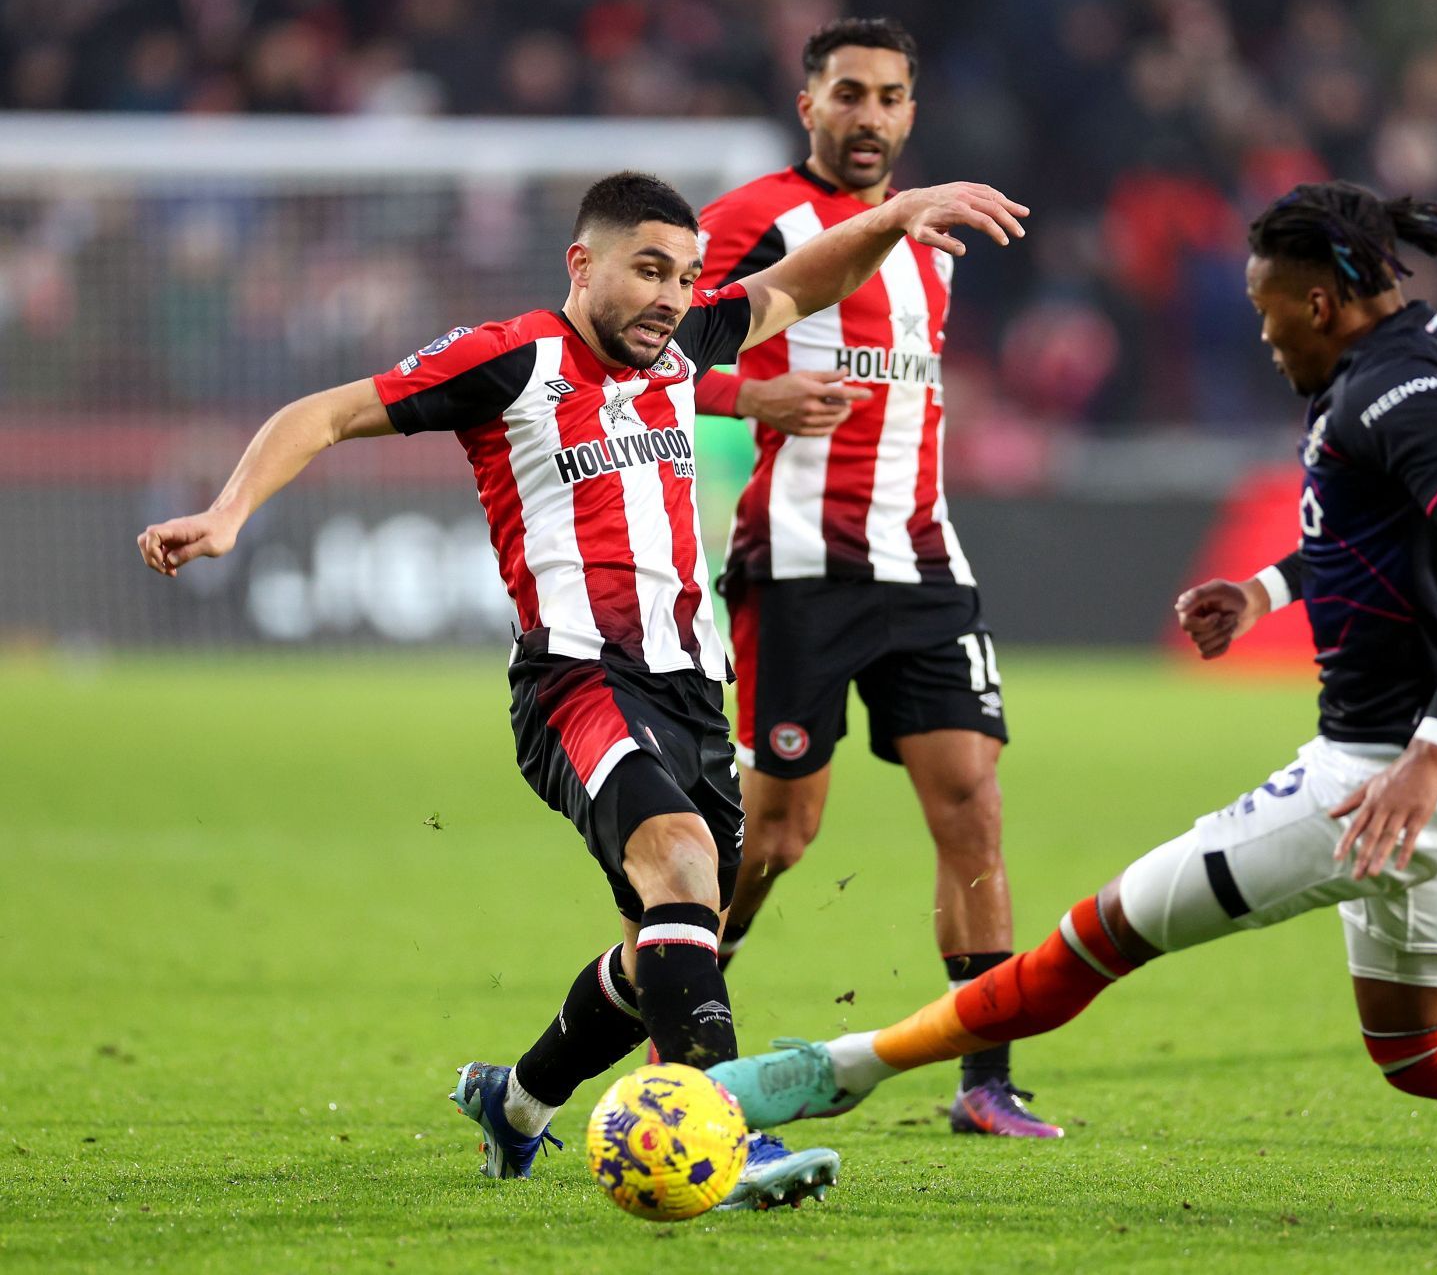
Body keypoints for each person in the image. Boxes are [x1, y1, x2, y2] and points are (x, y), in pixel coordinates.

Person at [703, 183, 1437, 1233]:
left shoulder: (1394, 391)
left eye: (1268, 311)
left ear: (1319, 298)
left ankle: (832, 1070)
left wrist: (1423, 755)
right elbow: (1392, 533)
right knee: (1420, 1048)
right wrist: (1268, 587)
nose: (1262, 333)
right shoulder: (1411, 348)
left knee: (1096, 939)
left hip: (1379, 779)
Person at [135, 169, 1028, 1208]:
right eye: (649, 269)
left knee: (658, 942)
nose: (671, 295)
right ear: (582, 263)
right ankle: (722, 1124)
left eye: (687, 276)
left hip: (694, 686)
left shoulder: (687, 341)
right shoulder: (510, 359)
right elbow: (326, 412)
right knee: (687, 868)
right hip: (576, 679)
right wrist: (232, 512)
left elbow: (796, 285)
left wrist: (887, 218)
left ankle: (514, 1101)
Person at [690, 16, 1056, 1137]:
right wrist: (749, 397)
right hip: (797, 568)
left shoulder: (936, 240)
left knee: (972, 807)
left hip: (925, 562)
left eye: (891, 98)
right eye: (848, 94)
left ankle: (985, 1080)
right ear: (810, 105)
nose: (869, 116)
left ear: (911, 112)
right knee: (783, 833)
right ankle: (694, 981)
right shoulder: (751, 220)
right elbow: (638, 358)